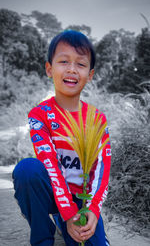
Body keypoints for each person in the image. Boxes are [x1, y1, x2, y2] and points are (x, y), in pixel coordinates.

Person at [12, 30, 111, 246]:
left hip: (82, 199)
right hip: (54, 194)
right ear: (49, 69)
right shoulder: (40, 115)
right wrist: (67, 213)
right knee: (27, 170)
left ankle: (73, 225)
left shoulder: (97, 120)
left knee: (91, 242)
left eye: (81, 64)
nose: (72, 69)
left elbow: (101, 172)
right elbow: (50, 164)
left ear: (90, 74)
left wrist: (92, 211)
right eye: (64, 61)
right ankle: (42, 238)